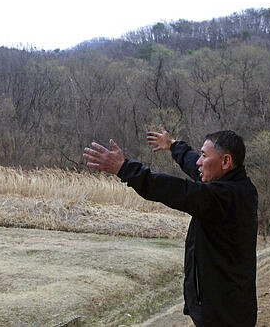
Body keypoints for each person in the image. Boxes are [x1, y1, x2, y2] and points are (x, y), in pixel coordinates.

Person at [82, 126, 258, 327]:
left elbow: (174, 190)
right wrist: (173, 145)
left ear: (225, 161)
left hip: (223, 313)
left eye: (204, 156)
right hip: (227, 305)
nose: (199, 162)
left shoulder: (223, 198)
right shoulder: (239, 186)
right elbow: (195, 165)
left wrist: (124, 168)